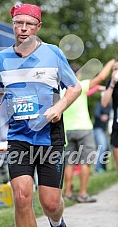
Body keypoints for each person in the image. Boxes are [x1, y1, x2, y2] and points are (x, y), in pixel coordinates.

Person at [0, 3, 81, 227]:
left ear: (38, 27)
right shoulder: (1, 59)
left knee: (50, 204)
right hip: (19, 136)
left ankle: (57, 223)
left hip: (50, 136)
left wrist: (59, 108)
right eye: (18, 23)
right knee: (21, 198)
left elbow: (75, 87)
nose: (23, 28)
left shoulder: (53, 53)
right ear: (13, 26)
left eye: (29, 24)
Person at [63, 59, 115, 203]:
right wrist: (110, 64)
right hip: (84, 129)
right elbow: (101, 77)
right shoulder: (80, 85)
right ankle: (83, 194)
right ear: (77, 75)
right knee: (86, 161)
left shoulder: (61, 90)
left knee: (69, 163)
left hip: (67, 130)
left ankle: (67, 193)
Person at [101, 59, 118, 171]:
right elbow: (104, 103)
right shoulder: (111, 83)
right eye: (115, 69)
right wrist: (112, 83)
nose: (116, 71)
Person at [93, 98, 111, 173]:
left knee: (107, 149)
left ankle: (103, 167)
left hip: (104, 130)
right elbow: (96, 114)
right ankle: (98, 168)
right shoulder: (99, 104)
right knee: (102, 147)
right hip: (98, 129)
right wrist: (102, 117)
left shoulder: (110, 105)